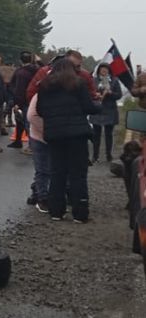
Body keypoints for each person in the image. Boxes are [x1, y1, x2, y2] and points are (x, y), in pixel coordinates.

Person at [37, 58, 101, 223]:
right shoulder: (77, 83)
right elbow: (88, 107)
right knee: (78, 174)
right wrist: (99, 105)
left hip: (55, 135)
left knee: (57, 172)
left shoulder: (44, 85)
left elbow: (40, 110)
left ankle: (56, 212)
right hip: (77, 134)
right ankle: (80, 213)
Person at [90, 63, 122, 163]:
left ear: (109, 70)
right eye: (102, 69)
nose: (104, 71)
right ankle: (95, 156)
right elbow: (89, 93)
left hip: (110, 110)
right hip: (97, 109)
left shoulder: (114, 81)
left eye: (106, 69)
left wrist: (111, 93)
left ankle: (109, 155)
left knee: (109, 134)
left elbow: (119, 95)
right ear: (99, 70)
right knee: (96, 134)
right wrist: (96, 95)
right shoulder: (93, 80)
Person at [10, 51, 40, 150]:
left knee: (23, 122)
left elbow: (18, 88)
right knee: (28, 123)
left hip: (23, 101)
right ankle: (21, 142)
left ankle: (29, 145)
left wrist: (17, 103)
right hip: (34, 100)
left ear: (20, 60)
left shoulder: (20, 72)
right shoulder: (36, 70)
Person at [26, 93, 50, 213]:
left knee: (50, 168)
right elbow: (32, 115)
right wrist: (48, 130)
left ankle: (39, 193)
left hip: (56, 135)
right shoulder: (40, 95)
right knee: (43, 169)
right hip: (39, 136)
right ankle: (42, 198)